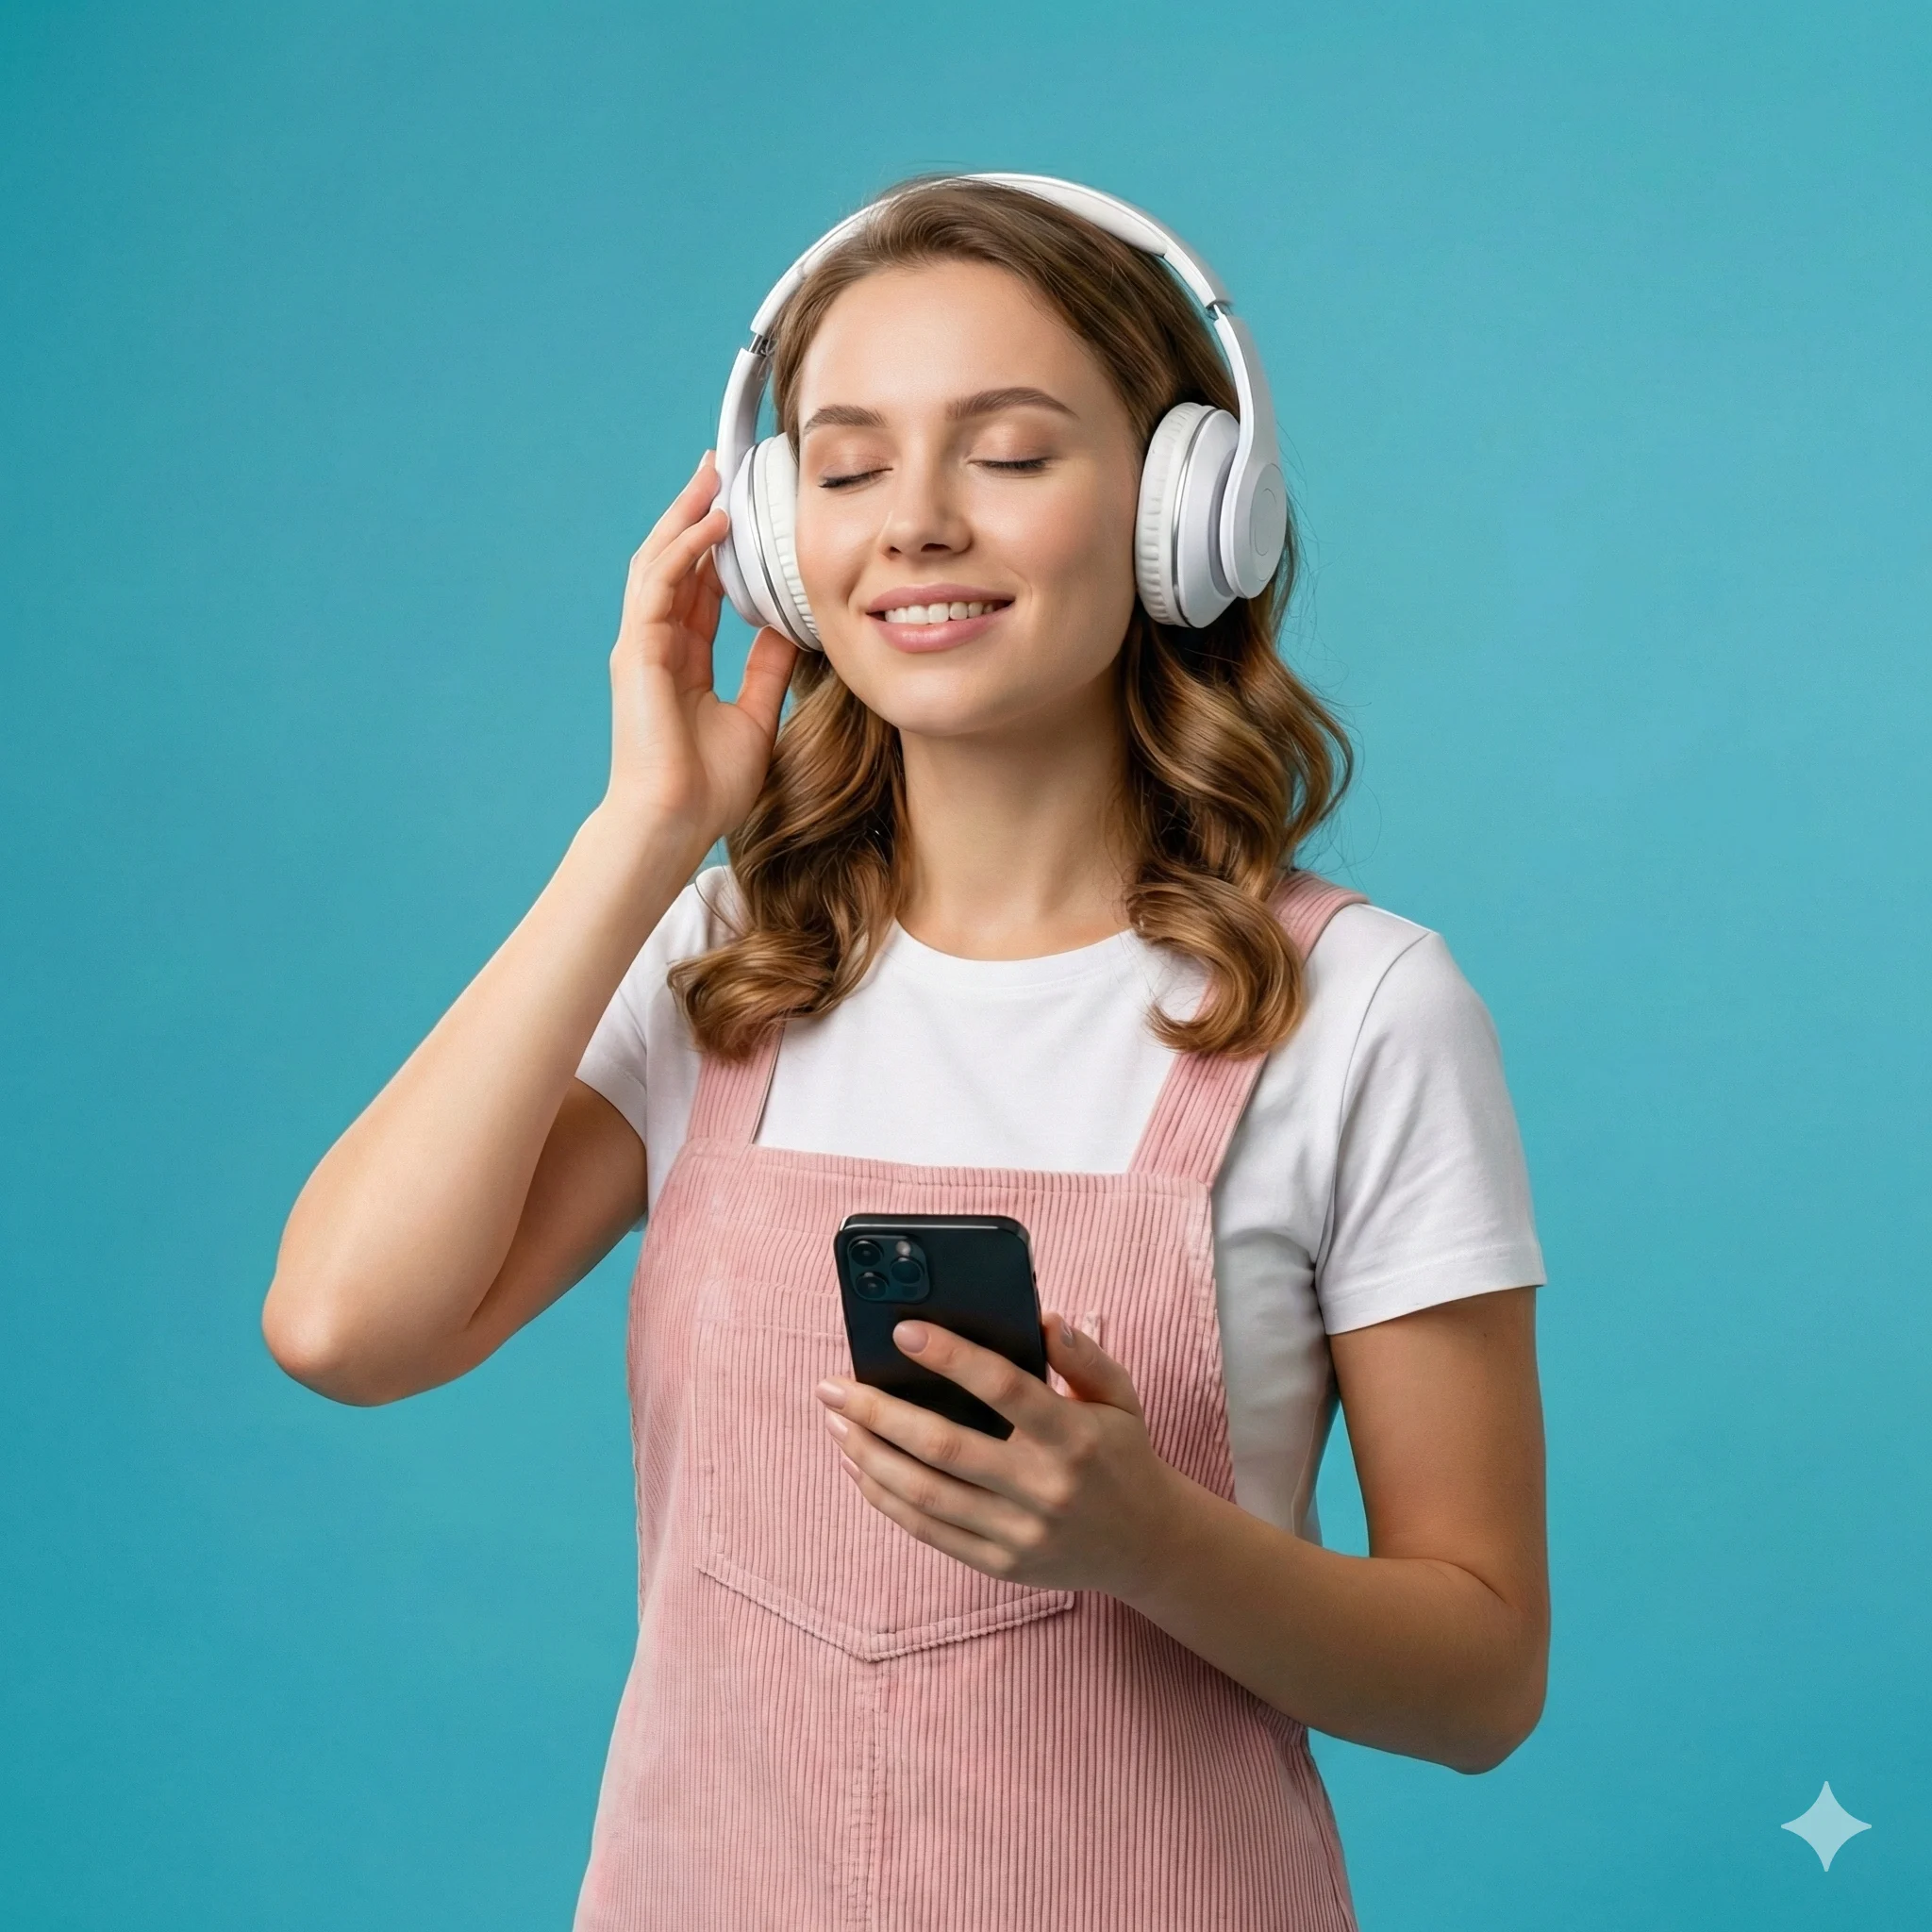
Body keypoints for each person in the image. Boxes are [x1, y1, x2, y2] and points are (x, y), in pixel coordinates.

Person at [264, 175, 1549, 1931]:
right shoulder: (721, 967)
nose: (918, 524)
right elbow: (345, 1328)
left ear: (1188, 513)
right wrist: (647, 832)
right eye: (849, 468)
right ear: (784, 539)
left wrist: (1153, 1544)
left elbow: (1479, 1678)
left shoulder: (1366, 1009)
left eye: (1011, 456)